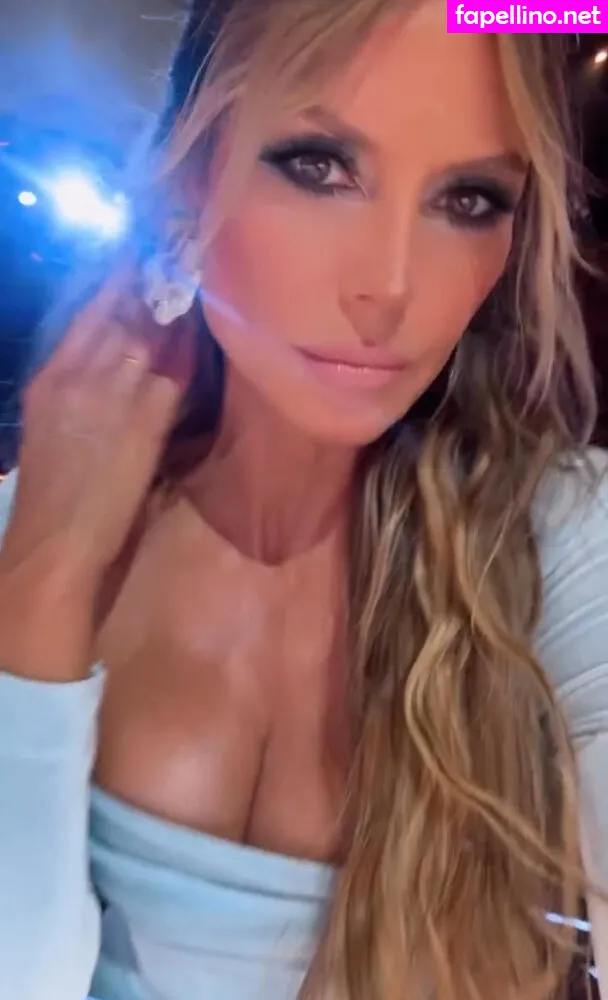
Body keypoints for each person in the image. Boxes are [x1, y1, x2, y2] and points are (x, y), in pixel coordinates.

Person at [0, 3, 607, 1000]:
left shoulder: (563, 540)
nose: (390, 286)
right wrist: (45, 580)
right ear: (190, 179)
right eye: (318, 166)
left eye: (468, 200)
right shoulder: (27, 539)